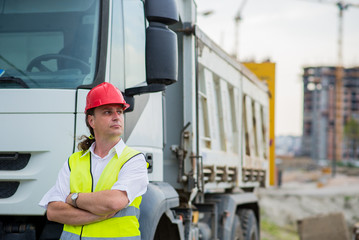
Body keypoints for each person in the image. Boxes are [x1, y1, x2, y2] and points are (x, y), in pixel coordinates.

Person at [39, 82, 149, 240]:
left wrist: (73, 198)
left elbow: (113, 203)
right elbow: (53, 212)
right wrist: (99, 215)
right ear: (91, 121)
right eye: (107, 112)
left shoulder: (134, 160)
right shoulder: (74, 161)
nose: (116, 117)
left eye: (119, 111)